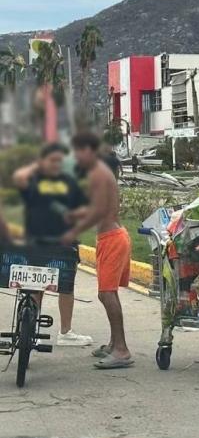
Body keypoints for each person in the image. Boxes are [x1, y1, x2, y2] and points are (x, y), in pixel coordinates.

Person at [62, 132, 133, 369]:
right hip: (110, 237)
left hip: (112, 238)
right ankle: (114, 343)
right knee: (108, 292)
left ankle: (121, 350)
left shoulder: (99, 174)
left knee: (106, 293)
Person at [13, 143, 93, 346]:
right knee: (34, 286)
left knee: (66, 286)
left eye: (59, 160)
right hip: (36, 241)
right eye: (52, 160)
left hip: (63, 242)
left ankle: (65, 332)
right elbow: (18, 178)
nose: (56, 164)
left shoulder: (69, 182)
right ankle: (31, 328)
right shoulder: (33, 180)